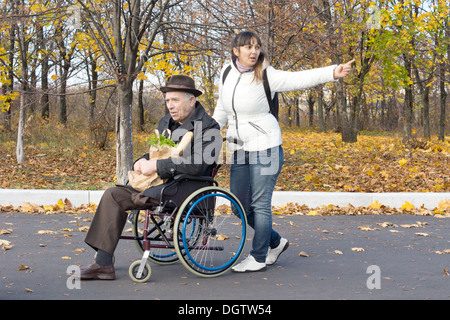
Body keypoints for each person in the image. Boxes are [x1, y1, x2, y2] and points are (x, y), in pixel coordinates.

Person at [213, 31, 354, 273]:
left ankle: (258, 257)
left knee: (260, 204)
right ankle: (276, 242)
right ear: (236, 51)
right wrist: (202, 133)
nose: (253, 51)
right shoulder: (226, 73)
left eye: (257, 46)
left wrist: (333, 72)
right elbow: (221, 111)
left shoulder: (267, 74)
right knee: (238, 206)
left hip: (266, 146)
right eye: (248, 47)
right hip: (238, 148)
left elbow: (298, 79)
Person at [77, 75, 221, 280]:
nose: (170, 105)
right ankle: (103, 262)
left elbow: (197, 166)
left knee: (141, 196)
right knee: (113, 195)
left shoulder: (209, 128)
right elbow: (155, 151)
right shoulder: (166, 122)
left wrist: (156, 165)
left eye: (175, 100)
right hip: (158, 182)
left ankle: (103, 260)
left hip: (189, 187)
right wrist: (142, 160)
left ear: (191, 100)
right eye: (167, 100)